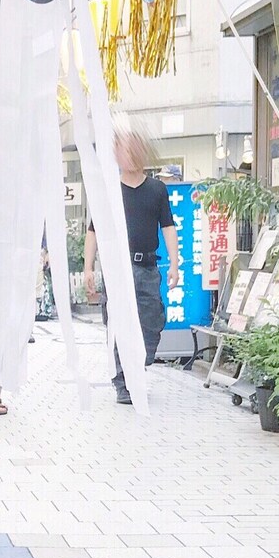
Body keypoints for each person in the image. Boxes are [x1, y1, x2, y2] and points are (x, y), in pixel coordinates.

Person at [83, 119, 179, 404]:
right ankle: (123, 382)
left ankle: (138, 364)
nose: (129, 154)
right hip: (117, 269)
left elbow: (168, 227)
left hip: (147, 268)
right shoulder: (109, 189)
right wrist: (88, 268)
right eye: (124, 149)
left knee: (152, 323)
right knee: (118, 325)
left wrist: (175, 264)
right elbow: (93, 230)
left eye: (133, 148)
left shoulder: (157, 189)